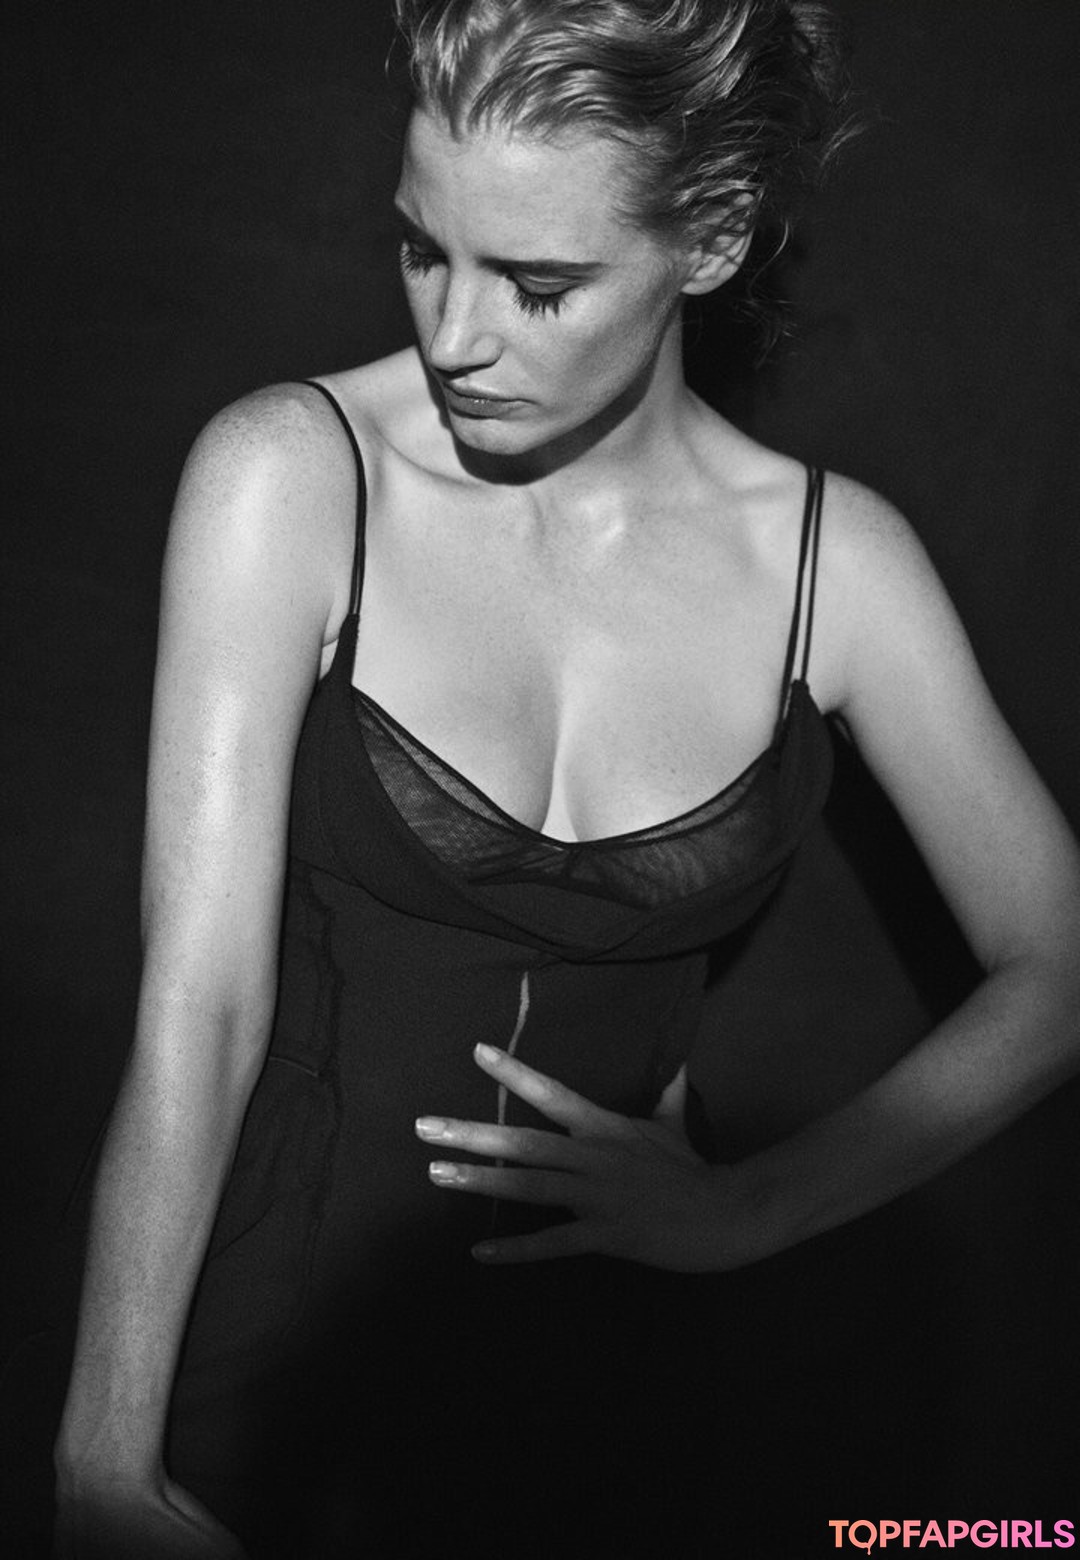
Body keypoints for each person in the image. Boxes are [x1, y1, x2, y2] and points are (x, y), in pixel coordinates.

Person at [53, 1, 1080, 1556]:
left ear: (711, 239)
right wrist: (101, 1455)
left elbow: (1060, 965)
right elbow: (199, 1006)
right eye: (424, 251)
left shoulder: (836, 570)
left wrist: (754, 1205)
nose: (456, 336)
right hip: (274, 1345)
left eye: (538, 285)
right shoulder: (292, 474)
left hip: (622, 1386)